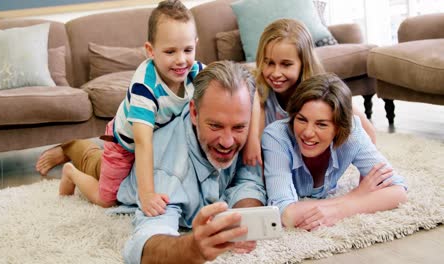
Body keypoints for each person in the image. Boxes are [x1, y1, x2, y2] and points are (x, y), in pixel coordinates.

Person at [36, 0, 203, 213]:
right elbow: (142, 143)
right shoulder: (145, 87)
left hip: (161, 139)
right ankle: (71, 171)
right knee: (108, 198)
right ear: (151, 51)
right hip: (125, 144)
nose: (181, 60)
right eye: (170, 52)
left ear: (196, 44)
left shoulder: (198, 73)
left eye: (188, 50)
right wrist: (147, 195)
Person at [115, 60, 266, 264]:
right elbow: (143, 244)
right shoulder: (169, 171)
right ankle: (70, 149)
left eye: (239, 128)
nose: (228, 141)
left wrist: (243, 219)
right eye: (215, 126)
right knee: (96, 168)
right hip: (130, 162)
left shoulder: (245, 130)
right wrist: (191, 248)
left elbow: (249, 182)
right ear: (194, 113)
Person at [262, 72, 407, 231]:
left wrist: (341, 210)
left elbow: (398, 191)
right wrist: (355, 196)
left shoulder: (352, 133)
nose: (308, 132)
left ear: (339, 128)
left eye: (321, 124)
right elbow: (285, 214)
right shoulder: (276, 136)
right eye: (301, 119)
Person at [243, 18, 376, 166]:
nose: (276, 73)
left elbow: (368, 132)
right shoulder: (259, 92)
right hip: (275, 166)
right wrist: (252, 139)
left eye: (286, 65)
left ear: (304, 63)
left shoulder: (323, 91)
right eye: (269, 63)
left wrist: (366, 174)